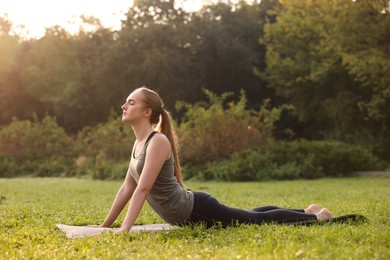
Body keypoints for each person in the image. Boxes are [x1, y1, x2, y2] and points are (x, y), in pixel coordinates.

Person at [100, 86, 334, 233]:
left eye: (131, 102)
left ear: (147, 111)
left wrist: (124, 230)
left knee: (254, 221)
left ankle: (317, 217)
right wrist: (105, 227)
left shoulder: (157, 142)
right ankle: (306, 211)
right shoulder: (138, 144)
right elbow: (126, 189)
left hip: (195, 209)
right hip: (193, 208)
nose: (124, 105)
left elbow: (143, 189)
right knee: (251, 214)